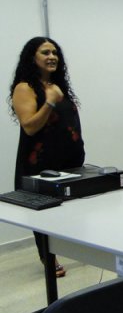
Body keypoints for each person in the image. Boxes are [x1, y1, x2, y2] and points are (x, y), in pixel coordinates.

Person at [10, 37, 86, 278]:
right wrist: (50, 102)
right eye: (45, 52)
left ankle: (70, 247)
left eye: (55, 52)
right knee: (42, 214)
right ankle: (48, 258)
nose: (52, 56)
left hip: (68, 163)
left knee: (67, 211)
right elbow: (30, 127)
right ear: (33, 58)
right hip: (39, 165)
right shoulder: (25, 88)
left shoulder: (58, 85)